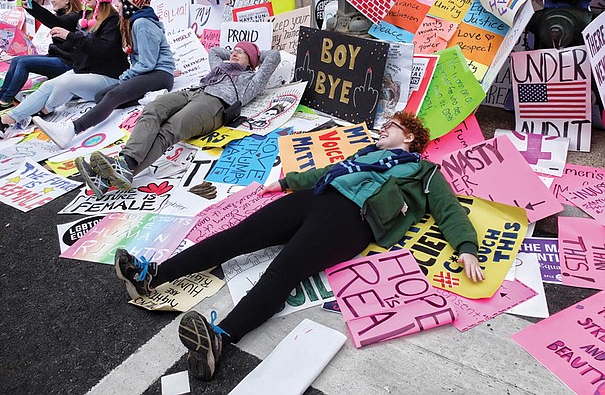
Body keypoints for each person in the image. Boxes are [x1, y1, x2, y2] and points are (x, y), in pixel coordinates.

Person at [113, 111, 485, 382]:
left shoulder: (423, 172)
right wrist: (288, 181)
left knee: (285, 269)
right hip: (317, 198)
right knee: (238, 237)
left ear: (408, 138)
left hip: (352, 220)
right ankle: (152, 276)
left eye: (391, 127)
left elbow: (448, 210)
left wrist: (466, 246)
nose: (383, 130)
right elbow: (326, 172)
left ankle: (220, 337)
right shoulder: (365, 156)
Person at [76, 43, 280, 199]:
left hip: (214, 105)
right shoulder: (220, 67)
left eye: (241, 52)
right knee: (152, 109)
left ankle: (120, 168)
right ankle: (116, 171)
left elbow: (275, 56)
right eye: (234, 50)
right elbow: (214, 52)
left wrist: (254, 55)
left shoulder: (252, 80)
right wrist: (238, 55)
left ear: (252, 63)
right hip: (194, 92)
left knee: (169, 130)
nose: (234, 53)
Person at [33, 0, 175, 149]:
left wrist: (125, 79)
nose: (117, 5)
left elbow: (147, 63)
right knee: (101, 96)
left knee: (113, 95)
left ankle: (71, 130)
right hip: (151, 74)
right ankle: (148, 96)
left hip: (158, 74)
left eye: (120, 2)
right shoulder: (134, 22)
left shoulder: (141, 23)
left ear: (129, 4)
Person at [0, 0, 128, 139]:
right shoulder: (84, 16)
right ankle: (3, 122)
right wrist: (32, 7)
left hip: (108, 77)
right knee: (47, 86)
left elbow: (103, 49)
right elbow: (55, 21)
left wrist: (71, 36)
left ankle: (43, 111)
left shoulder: (112, 20)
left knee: (64, 82)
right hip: (86, 71)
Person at [0, 0, 83, 115]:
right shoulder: (62, 16)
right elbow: (52, 20)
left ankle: (5, 100)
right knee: (16, 60)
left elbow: (53, 21)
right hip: (57, 57)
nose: (52, 0)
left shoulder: (73, 17)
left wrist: (33, 6)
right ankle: (1, 99)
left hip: (68, 63)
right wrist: (31, 6)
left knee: (24, 63)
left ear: (67, 0)